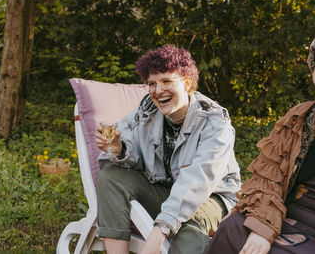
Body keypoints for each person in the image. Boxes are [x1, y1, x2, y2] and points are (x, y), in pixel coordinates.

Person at [204, 18, 315, 254]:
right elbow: (268, 179)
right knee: (231, 230)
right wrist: (262, 228)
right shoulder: (298, 119)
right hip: (280, 217)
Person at [95, 45, 241, 254]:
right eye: (152, 83)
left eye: (166, 81)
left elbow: (198, 181)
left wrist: (160, 229)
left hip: (210, 196)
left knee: (190, 225)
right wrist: (119, 149)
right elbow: (130, 151)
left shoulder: (215, 123)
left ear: (187, 83)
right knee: (110, 177)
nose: (157, 91)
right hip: (166, 191)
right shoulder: (146, 110)